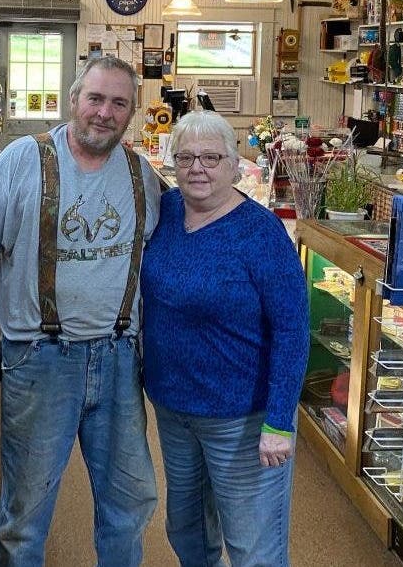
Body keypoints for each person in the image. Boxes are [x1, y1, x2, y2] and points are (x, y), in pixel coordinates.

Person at [0, 56, 161, 566]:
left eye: (119, 103)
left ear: (132, 112)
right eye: (95, 98)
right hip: (40, 361)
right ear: (74, 100)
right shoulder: (21, 161)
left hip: (118, 361)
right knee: (25, 515)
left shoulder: (143, 177)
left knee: (128, 505)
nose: (104, 112)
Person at [141, 110, 309, 567]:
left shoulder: (261, 233)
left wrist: (279, 421)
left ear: (235, 166)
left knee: (252, 544)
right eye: (187, 157)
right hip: (175, 412)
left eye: (212, 157)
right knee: (187, 531)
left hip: (243, 419)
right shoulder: (168, 211)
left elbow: (292, 331)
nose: (198, 167)